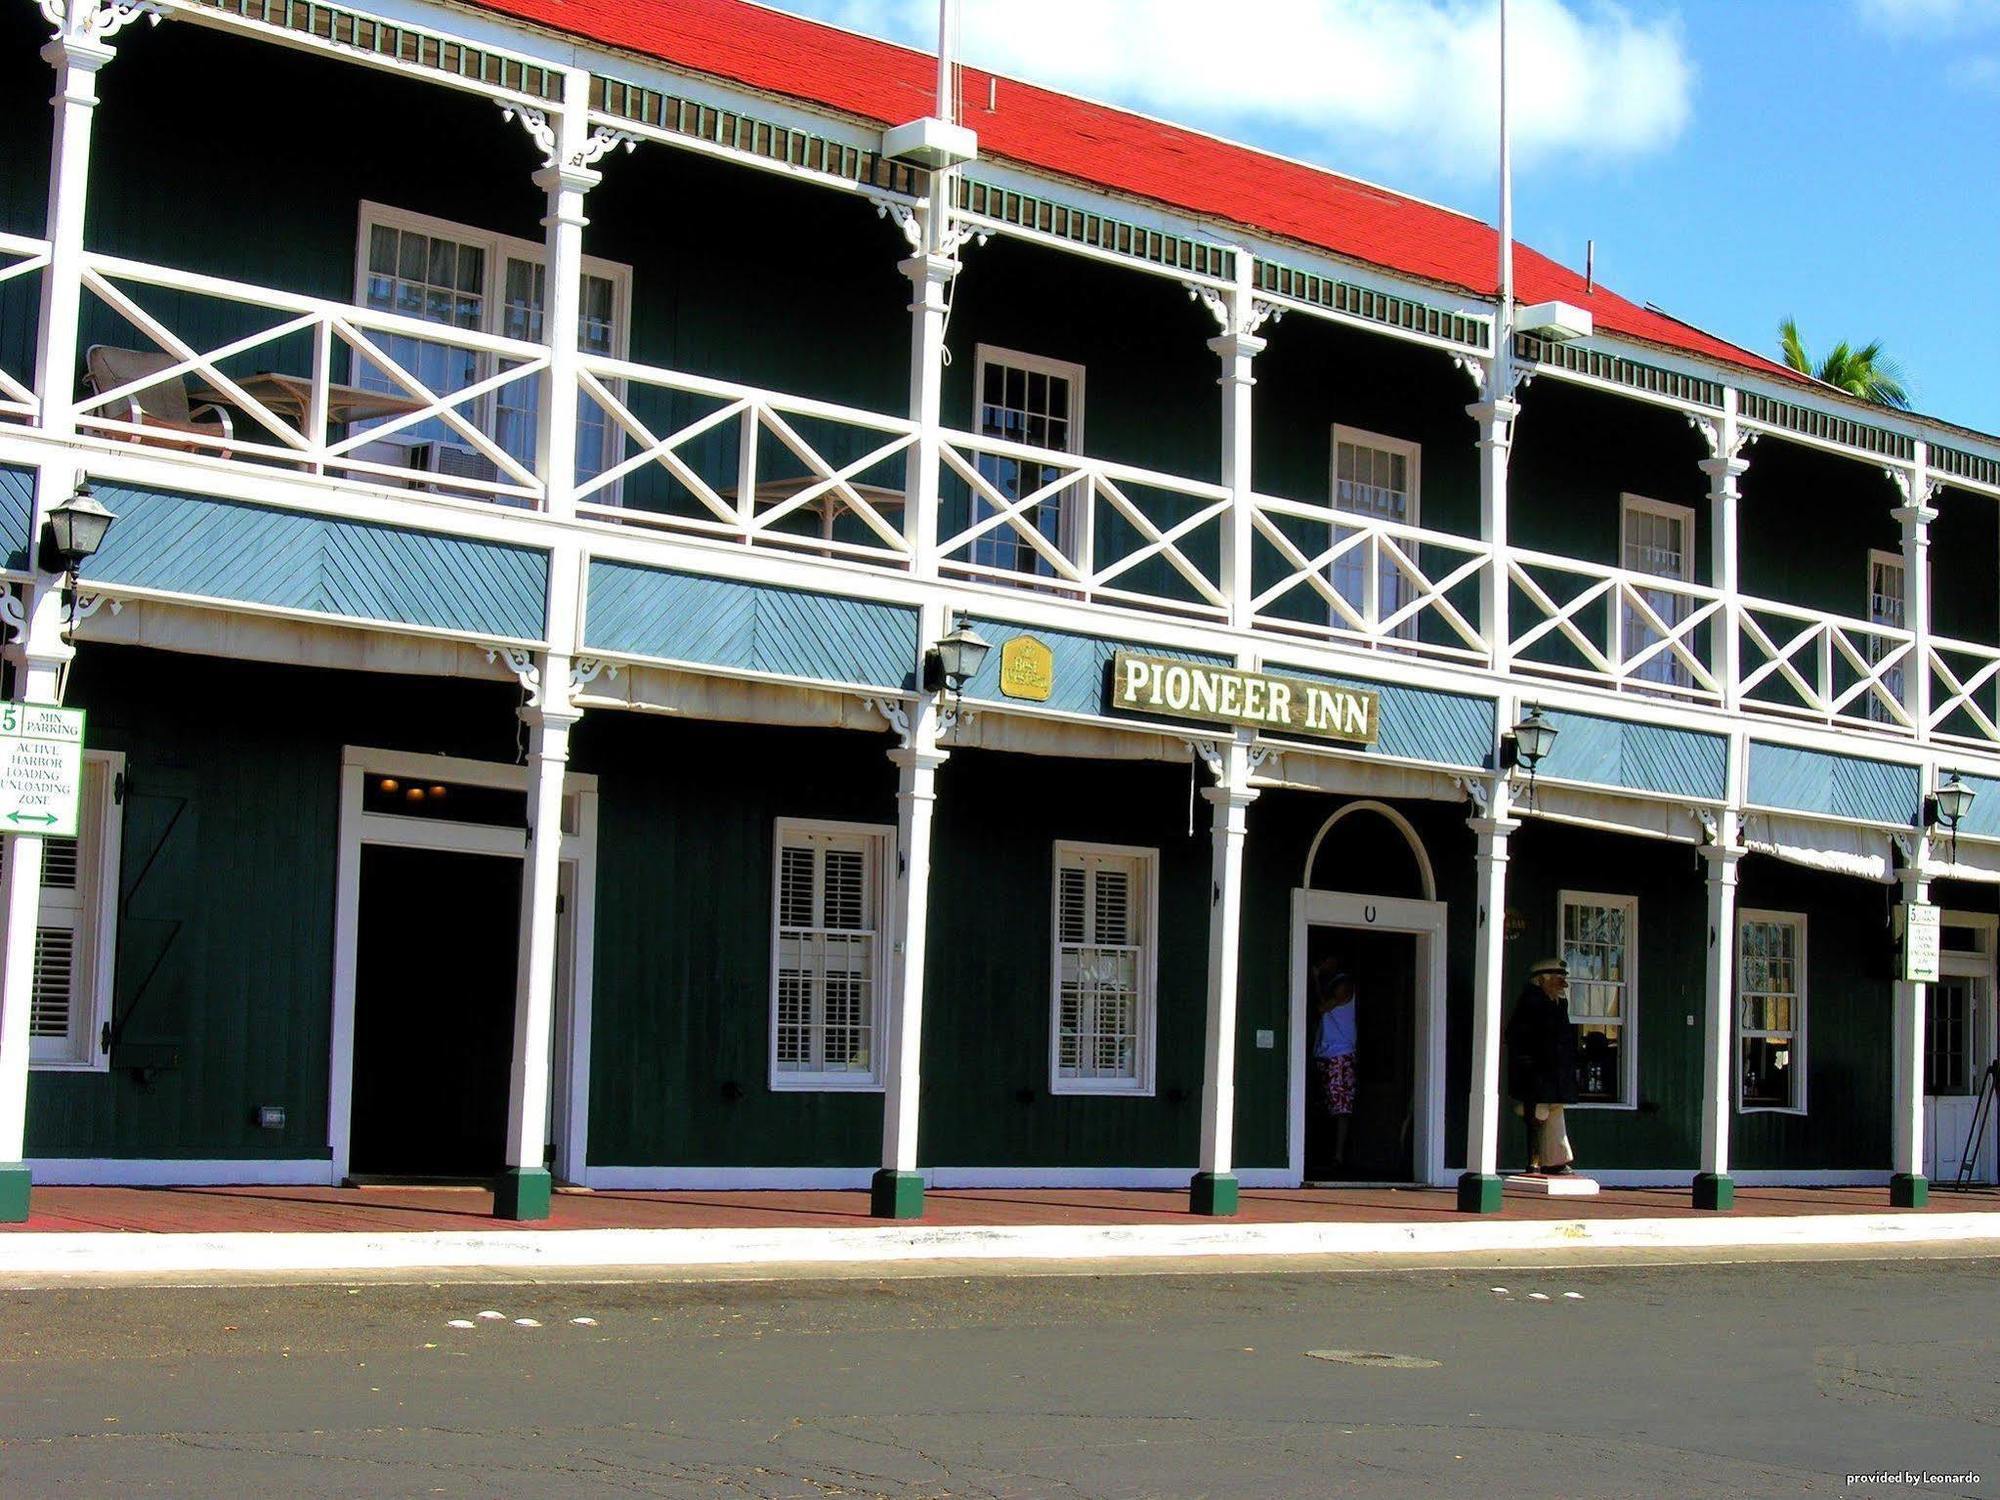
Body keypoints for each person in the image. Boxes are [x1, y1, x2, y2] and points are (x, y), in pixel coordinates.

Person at [1506, 955, 1579, 1174]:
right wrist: (1528, 1064)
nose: (1563, 984)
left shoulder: (1558, 1004)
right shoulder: (1531, 1003)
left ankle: (1556, 1159)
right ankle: (1535, 1161)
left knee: (1555, 1113)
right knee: (1537, 1114)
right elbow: (1515, 1036)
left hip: (1555, 1073)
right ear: (1543, 979)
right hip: (1536, 1074)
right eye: (1558, 979)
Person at [1310, 959, 1357, 1171]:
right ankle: (1321, 1152)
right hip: (1325, 1053)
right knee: (1324, 1104)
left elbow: (1322, 1007)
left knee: (1340, 1107)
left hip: (1340, 1055)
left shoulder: (1343, 984)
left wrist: (1316, 979)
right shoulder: (1333, 983)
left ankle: (1338, 1156)